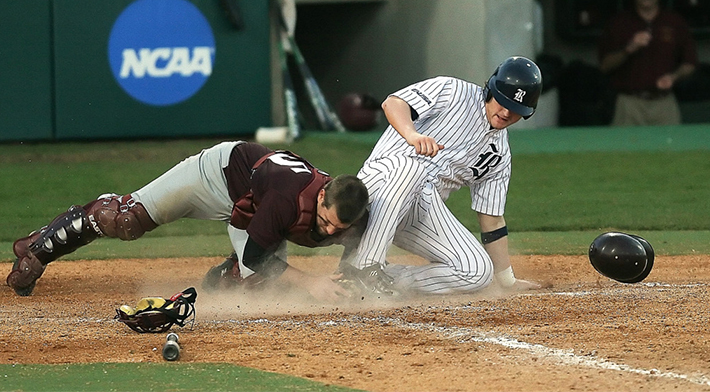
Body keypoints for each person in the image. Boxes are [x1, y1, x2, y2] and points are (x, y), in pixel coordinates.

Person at [7, 141, 369, 303]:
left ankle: (225, 276)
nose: (330, 231)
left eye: (340, 229)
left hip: (251, 208)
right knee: (125, 222)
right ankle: (37, 249)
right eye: (326, 220)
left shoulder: (346, 211)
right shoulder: (289, 198)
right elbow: (259, 255)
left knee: (266, 292)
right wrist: (310, 282)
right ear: (322, 195)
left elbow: (357, 242)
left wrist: (343, 277)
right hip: (214, 177)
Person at [338, 56, 544, 296]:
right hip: (379, 187)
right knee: (412, 169)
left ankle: (379, 279)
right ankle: (365, 267)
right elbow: (393, 103)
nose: (506, 112)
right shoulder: (453, 91)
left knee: (477, 272)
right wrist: (411, 135)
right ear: (491, 89)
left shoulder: (498, 155)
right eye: (503, 101)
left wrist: (507, 280)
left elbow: (492, 220)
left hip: (419, 209)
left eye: (516, 109)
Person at [598, 0, 698, 126]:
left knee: (669, 147)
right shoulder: (618, 23)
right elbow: (604, 66)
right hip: (628, 104)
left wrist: (674, 77)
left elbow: (690, 63)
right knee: (624, 147)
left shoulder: (675, 22)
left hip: (664, 103)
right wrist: (628, 49)